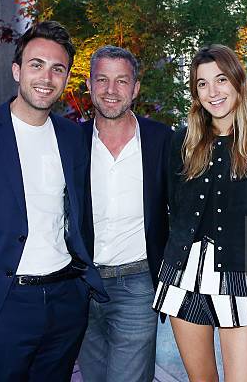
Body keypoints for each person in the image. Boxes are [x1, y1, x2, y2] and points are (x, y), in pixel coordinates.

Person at [0, 21, 107, 381]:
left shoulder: (72, 136)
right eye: (36, 65)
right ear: (17, 70)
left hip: (66, 301)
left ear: (65, 79)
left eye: (57, 69)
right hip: (4, 303)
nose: (46, 77)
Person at [152, 44, 247, 381]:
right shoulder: (180, 142)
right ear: (195, 93)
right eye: (202, 83)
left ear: (238, 83)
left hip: (242, 277)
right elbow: (171, 210)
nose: (212, 91)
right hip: (184, 276)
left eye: (221, 79)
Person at [77, 46, 172, 382]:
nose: (111, 90)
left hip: (138, 284)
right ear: (89, 85)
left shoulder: (162, 140)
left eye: (121, 80)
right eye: (102, 79)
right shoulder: (71, 142)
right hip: (81, 285)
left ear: (135, 88)